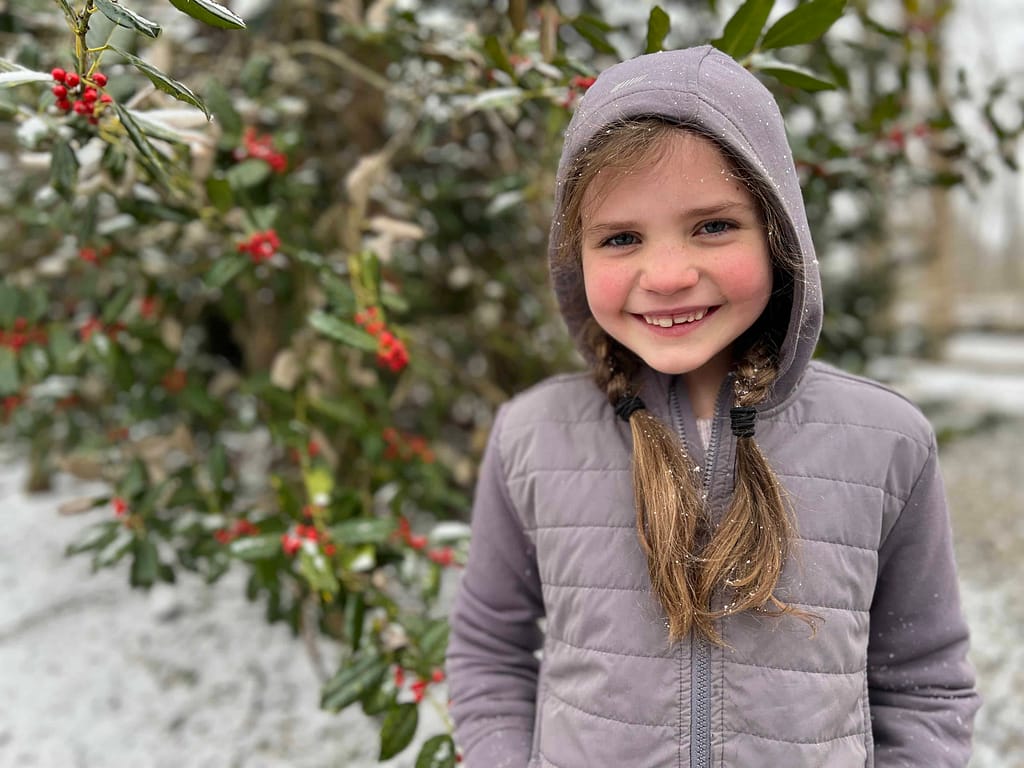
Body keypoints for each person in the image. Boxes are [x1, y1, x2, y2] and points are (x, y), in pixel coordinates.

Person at [445, 45, 979, 768]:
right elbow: (489, 651)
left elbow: (924, 684)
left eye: (713, 226)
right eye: (621, 237)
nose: (666, 275)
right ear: (577, 256)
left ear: (778, 233)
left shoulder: (887, 442)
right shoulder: (532, 437)